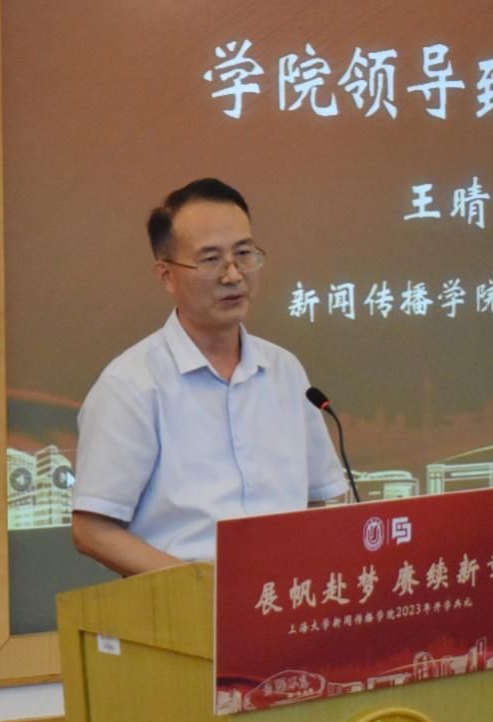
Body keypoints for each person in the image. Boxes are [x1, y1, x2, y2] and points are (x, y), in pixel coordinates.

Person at [70, 178, 348, 576]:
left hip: (283, 599)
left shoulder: (285, 371)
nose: (233, 275)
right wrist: (203, 589)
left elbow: (315, 499)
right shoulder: (131, 385)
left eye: (244, 254)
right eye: (211, 260)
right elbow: (92, 530)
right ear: (166, 275)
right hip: (186, 606)